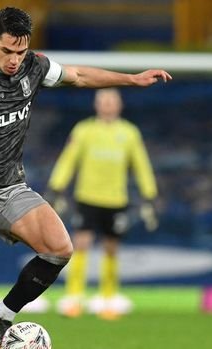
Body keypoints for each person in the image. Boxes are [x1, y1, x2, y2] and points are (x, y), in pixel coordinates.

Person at [0, 6, 172, 349]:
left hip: (13, 186)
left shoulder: (35, 66)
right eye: (6, 51)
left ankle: (0, 316)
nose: (14, 60)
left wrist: (132, 79)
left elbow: (79, 76)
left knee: (60, 250)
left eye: (20, 51)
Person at [47, 88, 159, 320]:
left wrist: (149, 193)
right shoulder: (84, 130)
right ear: (96, 105)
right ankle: (74, 298)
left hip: (116, 199)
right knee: (80, 244)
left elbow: (141, 164)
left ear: (119, 105)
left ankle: (108, 299)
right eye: (103, 101)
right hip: (87, 197)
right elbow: (69, 159)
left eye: (111, 101)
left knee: (111, 247)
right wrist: (57, 186)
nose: (107, 105)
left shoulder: (129, 133)